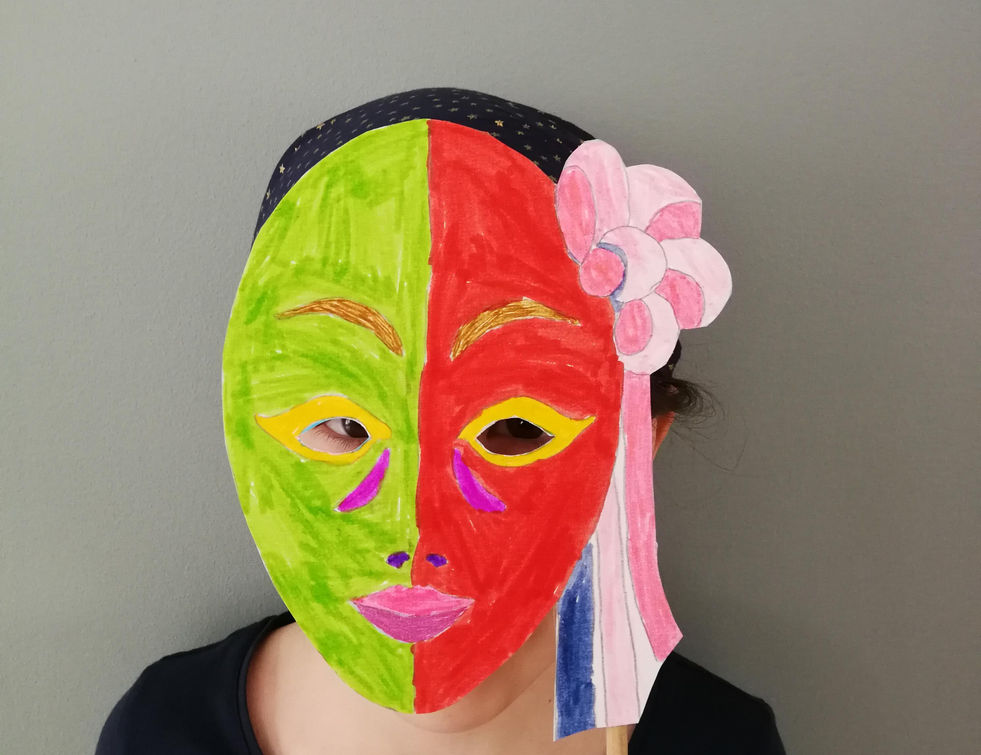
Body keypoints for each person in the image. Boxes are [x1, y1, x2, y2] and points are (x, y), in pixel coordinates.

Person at [97, 88, 784, 754]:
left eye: (516, 429)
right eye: (343, 426)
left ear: (639, 444)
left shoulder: (720, 740)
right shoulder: (164, 729)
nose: (415, 528)